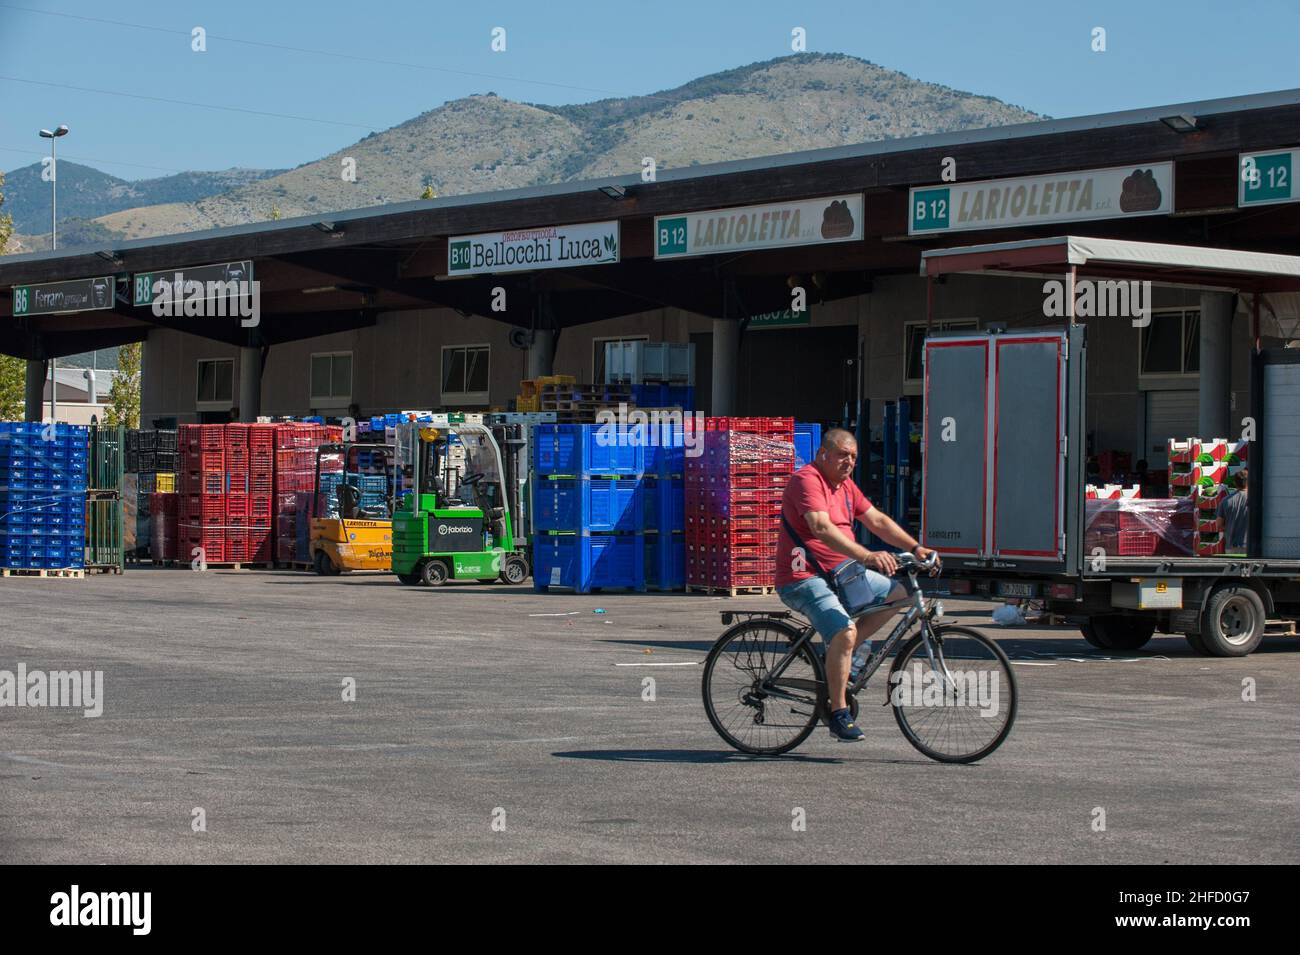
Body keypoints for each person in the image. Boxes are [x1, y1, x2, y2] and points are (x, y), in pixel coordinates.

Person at [775, 428, 941, 742]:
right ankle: (838, 712)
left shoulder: (846, 487)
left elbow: (876, 520)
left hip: (843, 572)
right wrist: (866, 555)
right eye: (842, 454)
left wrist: (917, 548)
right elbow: (820, 527)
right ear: (823, 453)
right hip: (804, 578)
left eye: (853, 456)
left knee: (901, 595)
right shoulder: (806, 480)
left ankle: (840, 656)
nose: (849, 461)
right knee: (844, 631)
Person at [1220, 468, 1248, 552]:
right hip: (1250, 546)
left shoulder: (1225, 500)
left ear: (1235, 483)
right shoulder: (1255, 500)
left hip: (1231, 545)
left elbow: (1219, 523)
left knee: (1231, 565)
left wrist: (1229, 528)